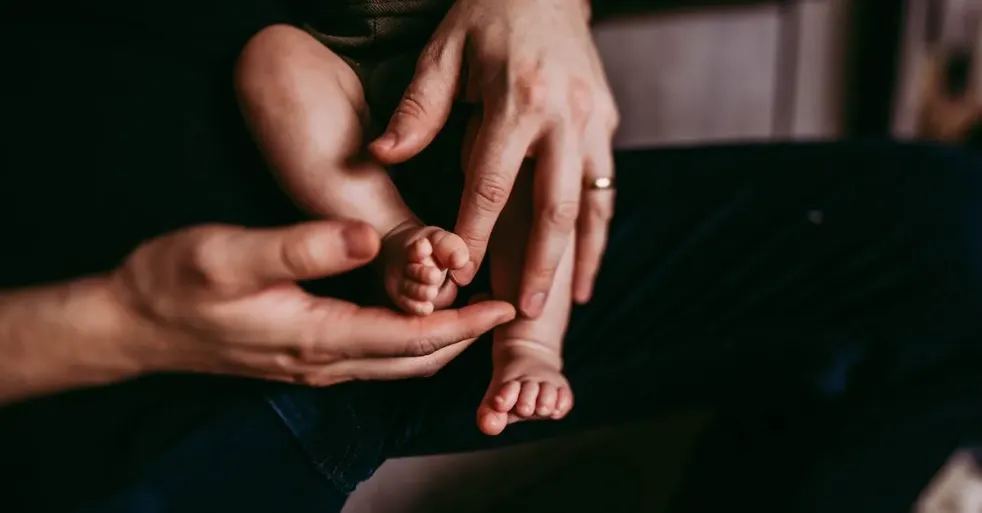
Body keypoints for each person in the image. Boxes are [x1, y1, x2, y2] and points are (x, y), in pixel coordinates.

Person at [2, 2, 981, 513]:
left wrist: (544, 6)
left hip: (410, 125)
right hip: (132, 393)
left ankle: (529, 345)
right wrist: (115, 326)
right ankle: (403, 244)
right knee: (278, 64)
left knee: (526, 171)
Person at [233, 20, 578, 434]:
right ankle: (394, 234)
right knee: (273, 55)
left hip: (484, 70)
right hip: (338, 59)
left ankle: (530, 341)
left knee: (530, 147)